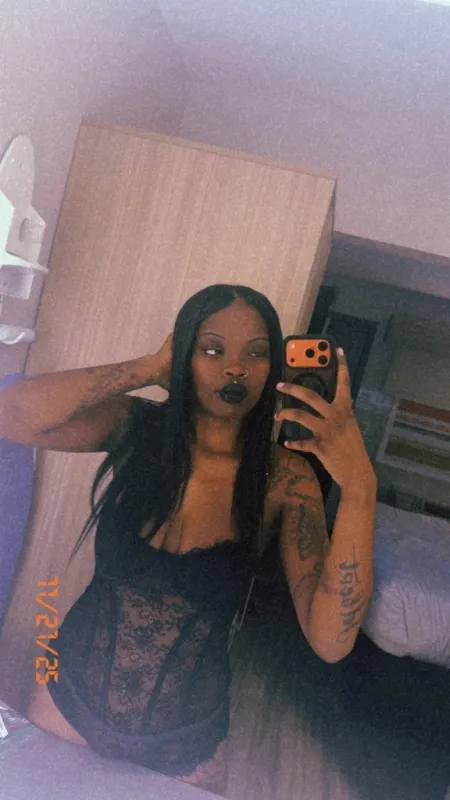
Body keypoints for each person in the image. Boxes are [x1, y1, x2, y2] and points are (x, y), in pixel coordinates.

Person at [0, 284, 377, 795]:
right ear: (184, 355)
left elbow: (331, 641)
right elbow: (9, 414)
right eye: (212, 349)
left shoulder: (284, 478)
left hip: (184, 746)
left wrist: (360, 486)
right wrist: (150, 368)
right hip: (65, 701)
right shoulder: (135, 428)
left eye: (256, 353)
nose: (235, 368)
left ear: (274, 369)